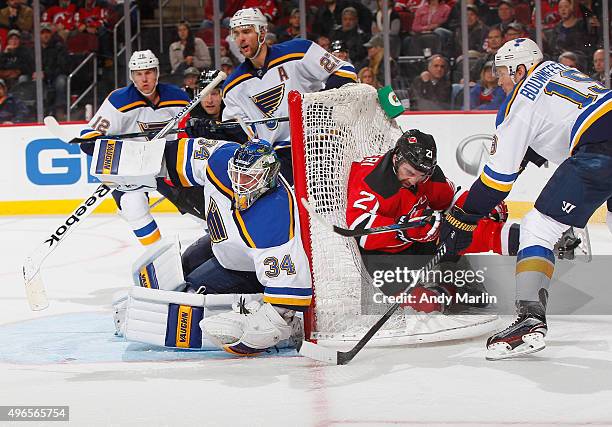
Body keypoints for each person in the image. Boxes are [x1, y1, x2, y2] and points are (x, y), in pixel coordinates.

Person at [438, 38, 612, 360]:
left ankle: (529, 320)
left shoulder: (520, 100)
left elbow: (495, 183)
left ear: (521, 69)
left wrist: (463, 217)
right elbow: (554, 130)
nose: (499, 80)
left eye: (503, 72)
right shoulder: (557, 70)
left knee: (538, 227)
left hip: (601, 149)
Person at [167, 138, 311, 355]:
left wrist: (279, 324)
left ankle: (254, 297)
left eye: (248, 178)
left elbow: (287, 298)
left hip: (246, 268)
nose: (239, 183)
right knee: (183, 265)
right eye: (237, 174)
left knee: (193, 289)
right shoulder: (221, 160)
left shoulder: (274, 218)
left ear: (268, 177)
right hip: (225, 247)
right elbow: (175, 155)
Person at [346, 129, 515, 313]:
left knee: (463, 229)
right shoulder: (371, 180)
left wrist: (482, 205)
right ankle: (447, 289)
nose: (414, 181)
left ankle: (533, 242)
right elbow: (359, 229)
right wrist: (404, 230)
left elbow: (450, 200)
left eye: (421, 176)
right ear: (396, 158)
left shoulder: (426, 174)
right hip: (383, 261)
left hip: (416, 244)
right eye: (409, 172)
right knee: (428, 306)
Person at [185, 8, 357, 185]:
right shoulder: (232, 87)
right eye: (236, 34)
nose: (240, 38)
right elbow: (246, 137)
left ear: (262, 33)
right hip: (279, 163)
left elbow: (345, 72)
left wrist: (318, 103)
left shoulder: (299, 51)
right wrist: (213, 131)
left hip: (321, 147)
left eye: (246, 31)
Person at [79, 50, 196, 247]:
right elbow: (89, 136)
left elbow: (194, 130)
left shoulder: (178, 97)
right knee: (133, 205)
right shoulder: (119, 100)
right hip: (133, 167)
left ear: (157, 73)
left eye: (149, 72)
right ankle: (156, 252)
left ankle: (218, 246)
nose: (144, 79)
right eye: (139, 74)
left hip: (170, 162)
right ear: (132, 76)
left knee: (199, 206)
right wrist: (93, 142)